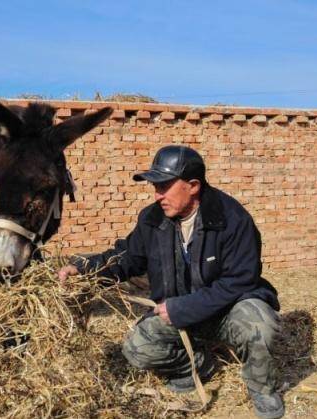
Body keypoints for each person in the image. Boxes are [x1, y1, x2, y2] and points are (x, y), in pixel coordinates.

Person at [58, 145, 284, 419]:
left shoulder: (232, 219)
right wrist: (84, 268)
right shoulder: (152, 219)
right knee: (137, 349)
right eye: (155, 187)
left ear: (193, 186)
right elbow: (127, 257)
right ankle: (197, 364)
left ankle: (263, 389)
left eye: (164, 186)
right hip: (181, 313)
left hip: (227, 310)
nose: (157, 195)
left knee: (259, 325)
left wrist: (182, 308)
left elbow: (239, 281)